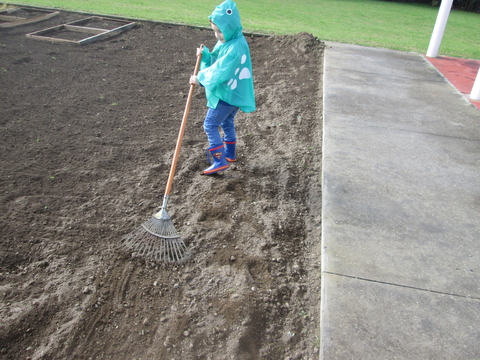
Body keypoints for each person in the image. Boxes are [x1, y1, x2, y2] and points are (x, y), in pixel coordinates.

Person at [189, 0, 256, 175]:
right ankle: (230, 154)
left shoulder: (235, 47)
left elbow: (221, 71)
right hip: (234, 95)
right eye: (215, 32)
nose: (218, 35)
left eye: (220, 31)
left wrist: (200, 78)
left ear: (230, 27)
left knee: (210, 124)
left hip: (227, 96)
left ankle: (219, 161)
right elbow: (217, 61)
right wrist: (205, 55)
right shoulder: (232, 39)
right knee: (227, 122)